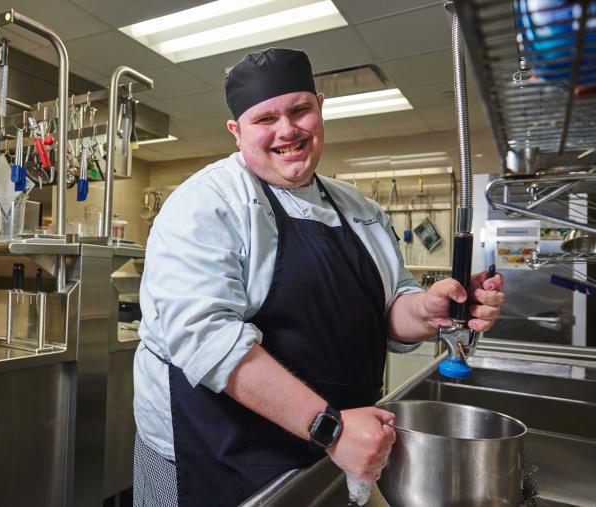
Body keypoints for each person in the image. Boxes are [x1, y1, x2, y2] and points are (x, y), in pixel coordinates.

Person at [132, 48, 504, 507]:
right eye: (265, 119)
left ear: (320, 108)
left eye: (299, 110)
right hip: (214, 447)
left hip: (328, 442)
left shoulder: (359, 208)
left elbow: (391, 305)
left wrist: (428, 309)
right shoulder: (205, 204)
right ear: (236, 132)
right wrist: (329, 427)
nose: (286, 130)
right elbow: (208, 340)